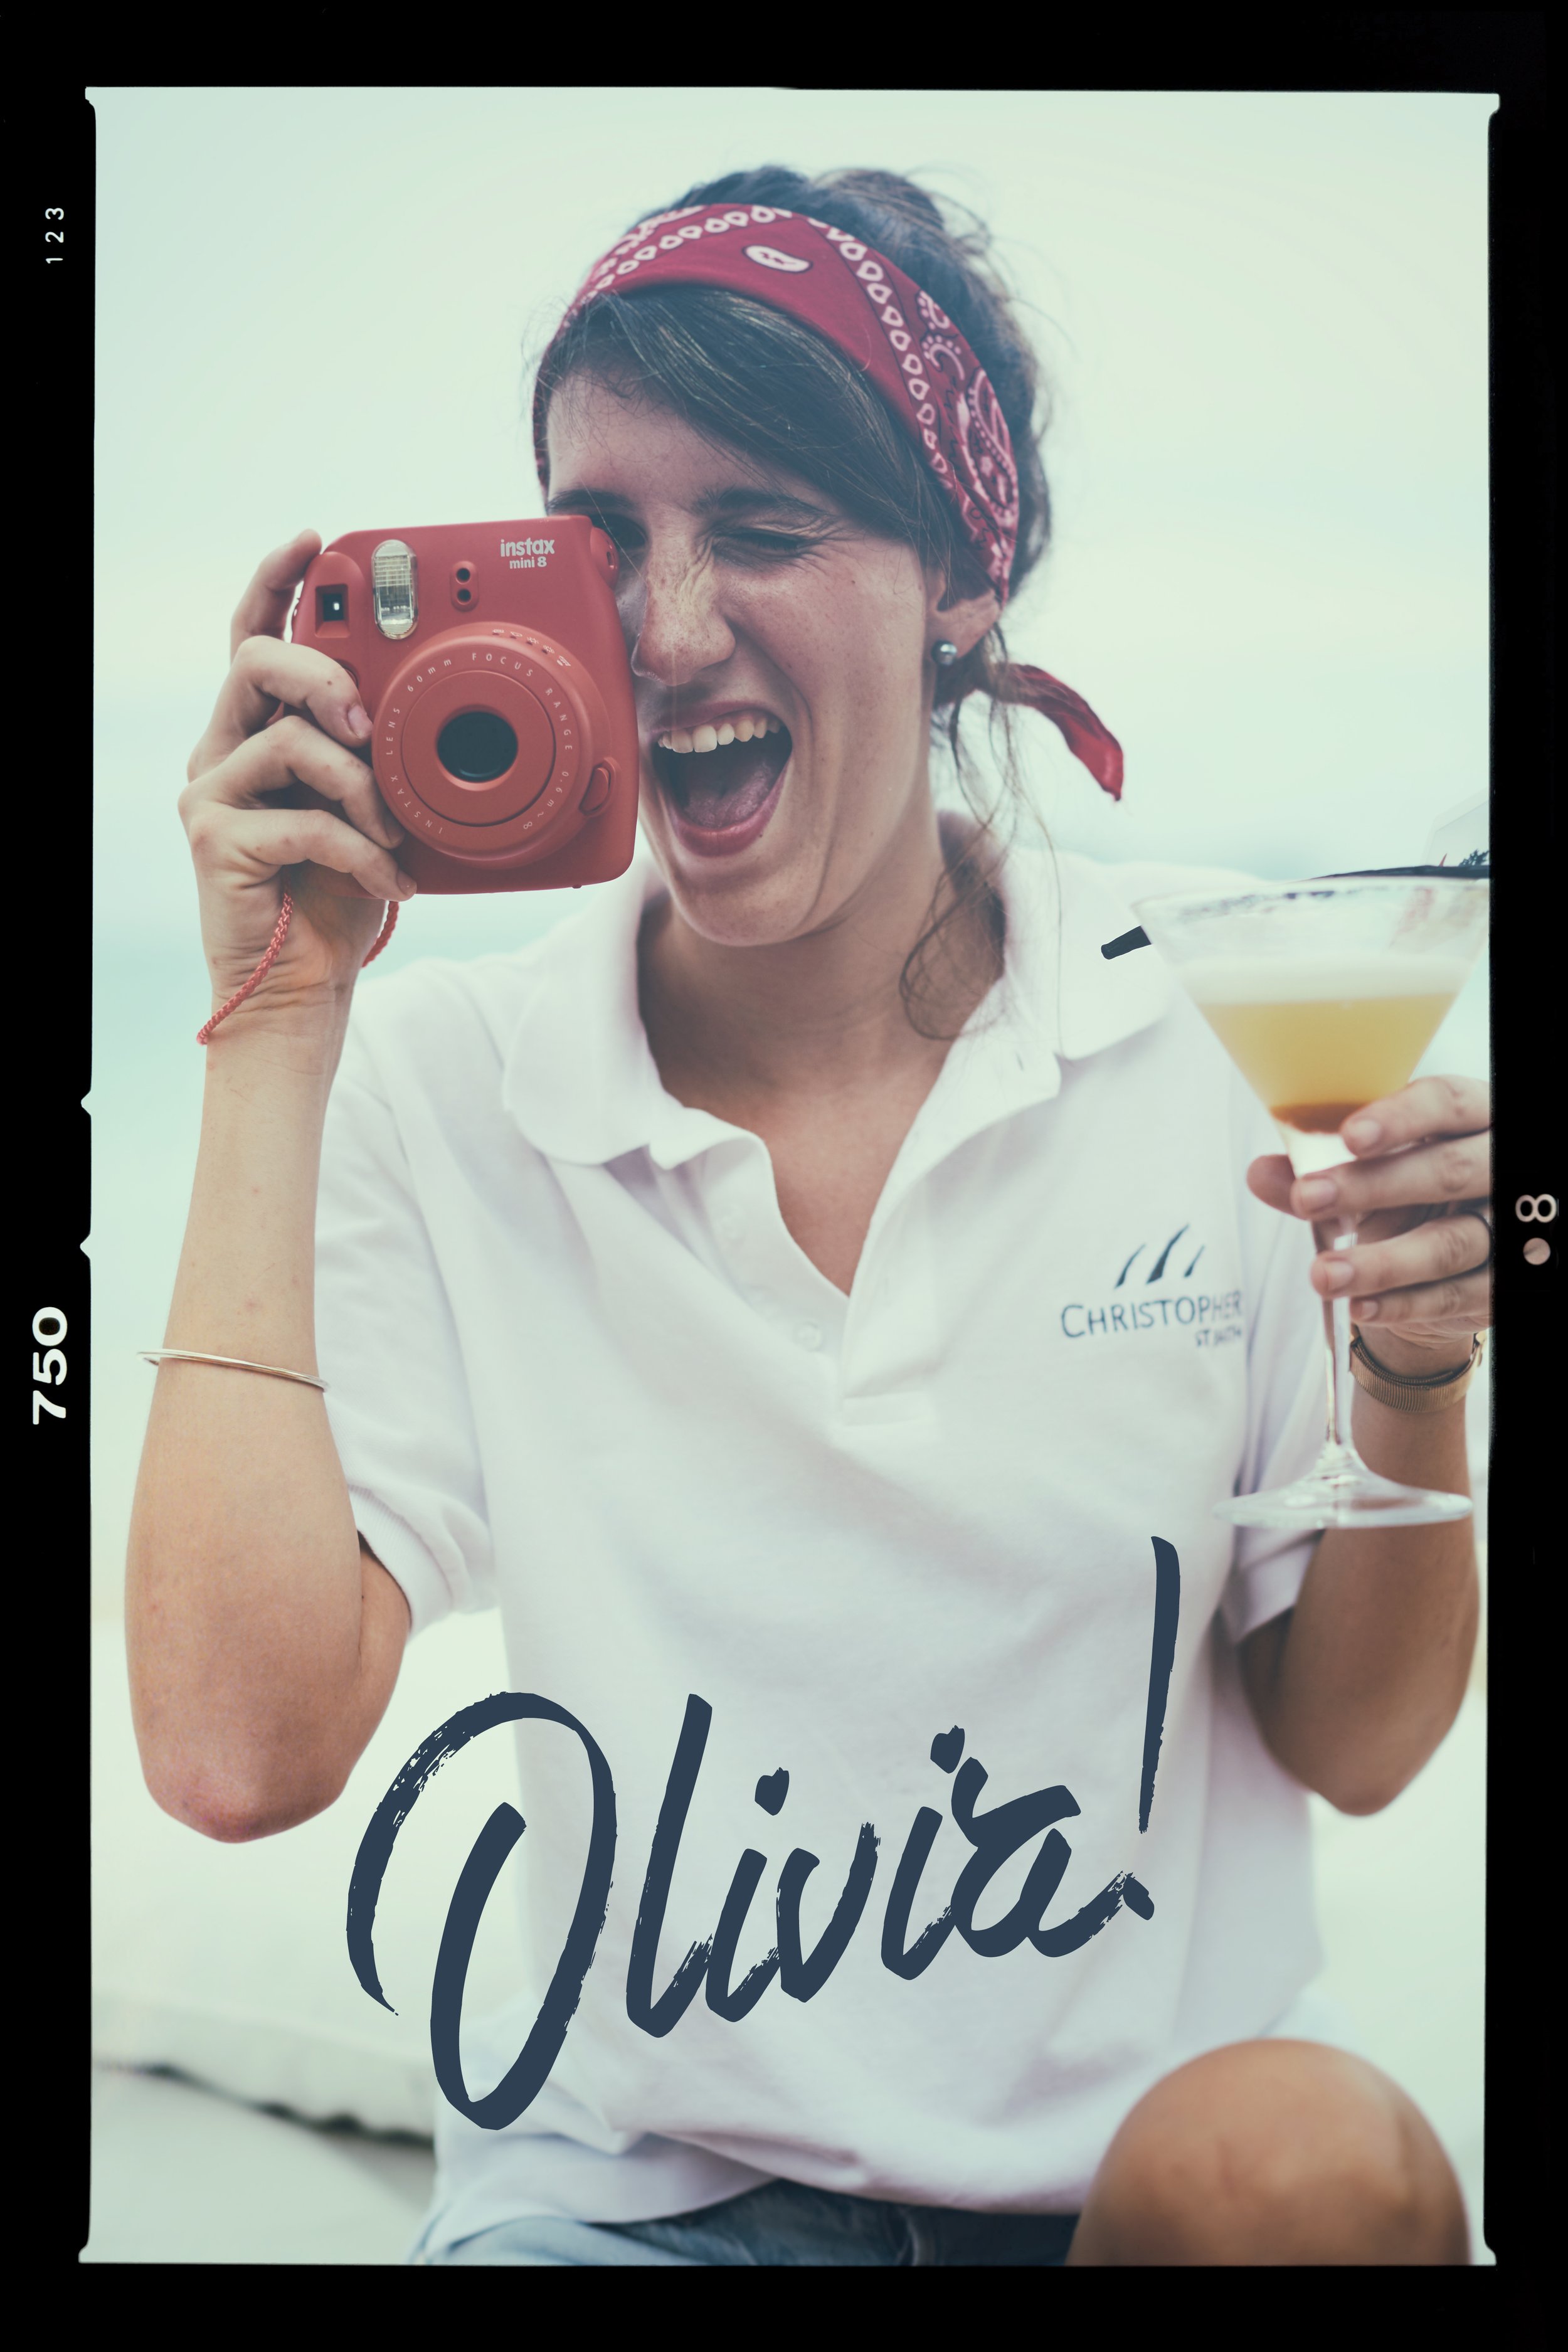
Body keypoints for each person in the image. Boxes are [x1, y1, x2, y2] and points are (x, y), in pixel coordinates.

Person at [127, 167, 1492, 2267]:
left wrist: (1410, 1372)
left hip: (1136, 2186)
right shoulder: (444, 1082)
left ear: (960, 573)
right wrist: (275, 1015)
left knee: (1309, 2166)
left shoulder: (1215, 1016)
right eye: (601, 547)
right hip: (637, 2204)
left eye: (763, 530)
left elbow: (1356, 1743)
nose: (669, 631)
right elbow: (231, 1752)